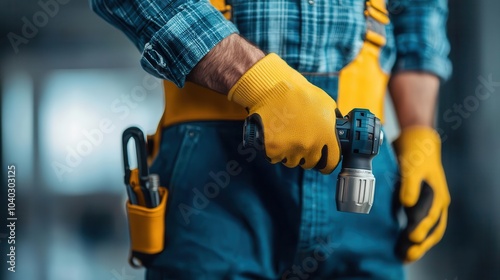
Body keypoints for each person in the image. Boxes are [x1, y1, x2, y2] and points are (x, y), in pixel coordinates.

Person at [91, 0, 451, 279]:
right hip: (213, 180)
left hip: (363, 173)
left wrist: (420, 132)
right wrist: (259, 82)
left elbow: (419, 13)